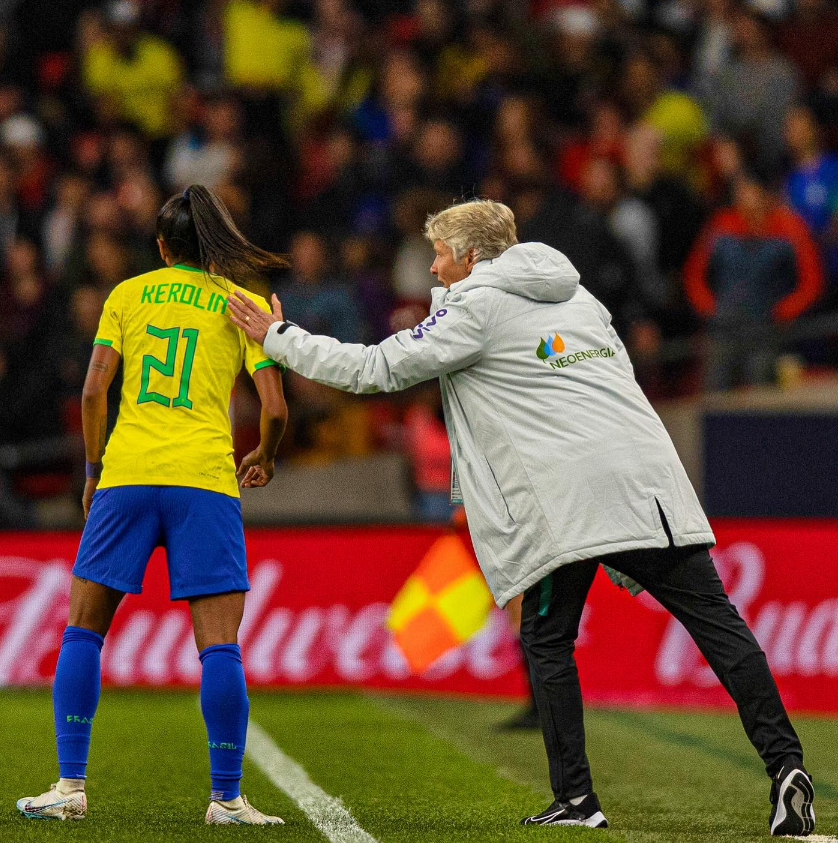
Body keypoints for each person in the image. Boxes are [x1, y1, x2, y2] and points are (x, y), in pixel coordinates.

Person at [228, 198, 815, 837]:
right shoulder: (582, 299)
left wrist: (276, 338)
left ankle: (577, 800)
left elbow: (377, 369)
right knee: (719, 625)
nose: (431, 265)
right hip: (649, 485)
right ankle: (787, 765)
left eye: (441, 252)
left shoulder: (473, 305)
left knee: (547, 641)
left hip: (561, 501)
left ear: (471, 257)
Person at [16, 185, 289, 825]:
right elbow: (274, 408)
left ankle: (69, 787)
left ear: (162, 247)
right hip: (203, 477)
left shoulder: (126, 295)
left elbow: (92, 394)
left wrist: (92, 471)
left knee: (84, 629)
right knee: (220, 647)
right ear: (215, 246)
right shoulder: (244, 303)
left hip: (129, 472)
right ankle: (227, 797)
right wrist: (266, 455)